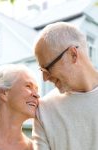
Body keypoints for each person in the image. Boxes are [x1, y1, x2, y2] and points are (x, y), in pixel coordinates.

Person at [32, 22, 98, 150]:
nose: (45, 78)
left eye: (48, 68)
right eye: (42, 71)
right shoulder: (44, 110)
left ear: (73, 54)